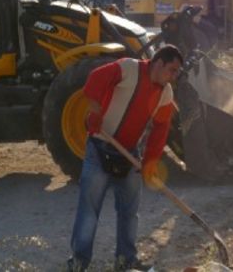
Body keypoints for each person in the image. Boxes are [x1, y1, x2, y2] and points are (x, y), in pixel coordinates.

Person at [67, 45, 184, 272]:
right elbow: (95, 79)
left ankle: (125, 261)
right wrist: (95, 111)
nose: (174, 76)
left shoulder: (165, 92)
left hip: (129, 153)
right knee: (89, 209)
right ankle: (79, 264)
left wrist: (150, 162)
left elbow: (161, 129)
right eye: (172, 70)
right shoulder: (128, 68)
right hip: (100, 146)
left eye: (177, 72)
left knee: (129, 211)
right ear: (158, 63)